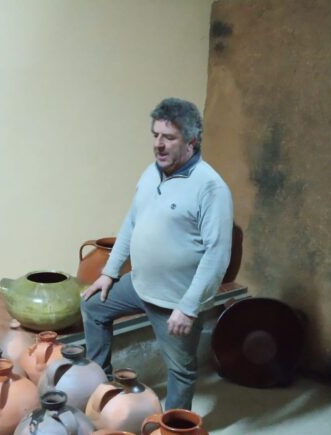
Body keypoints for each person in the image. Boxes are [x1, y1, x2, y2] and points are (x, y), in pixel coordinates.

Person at [81, 97, 233, 410]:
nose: (158, 145)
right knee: (93, 307)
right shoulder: (151, 173)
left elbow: (217, 256)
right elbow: (131, 221)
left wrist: (189, 307)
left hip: (175, 300)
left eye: (168, 137)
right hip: (138, 284)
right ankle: (102, 387)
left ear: (191, 141)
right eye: (155, 135)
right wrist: (110, 272)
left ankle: (175, 433)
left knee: (181, 370)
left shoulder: (210, 188)